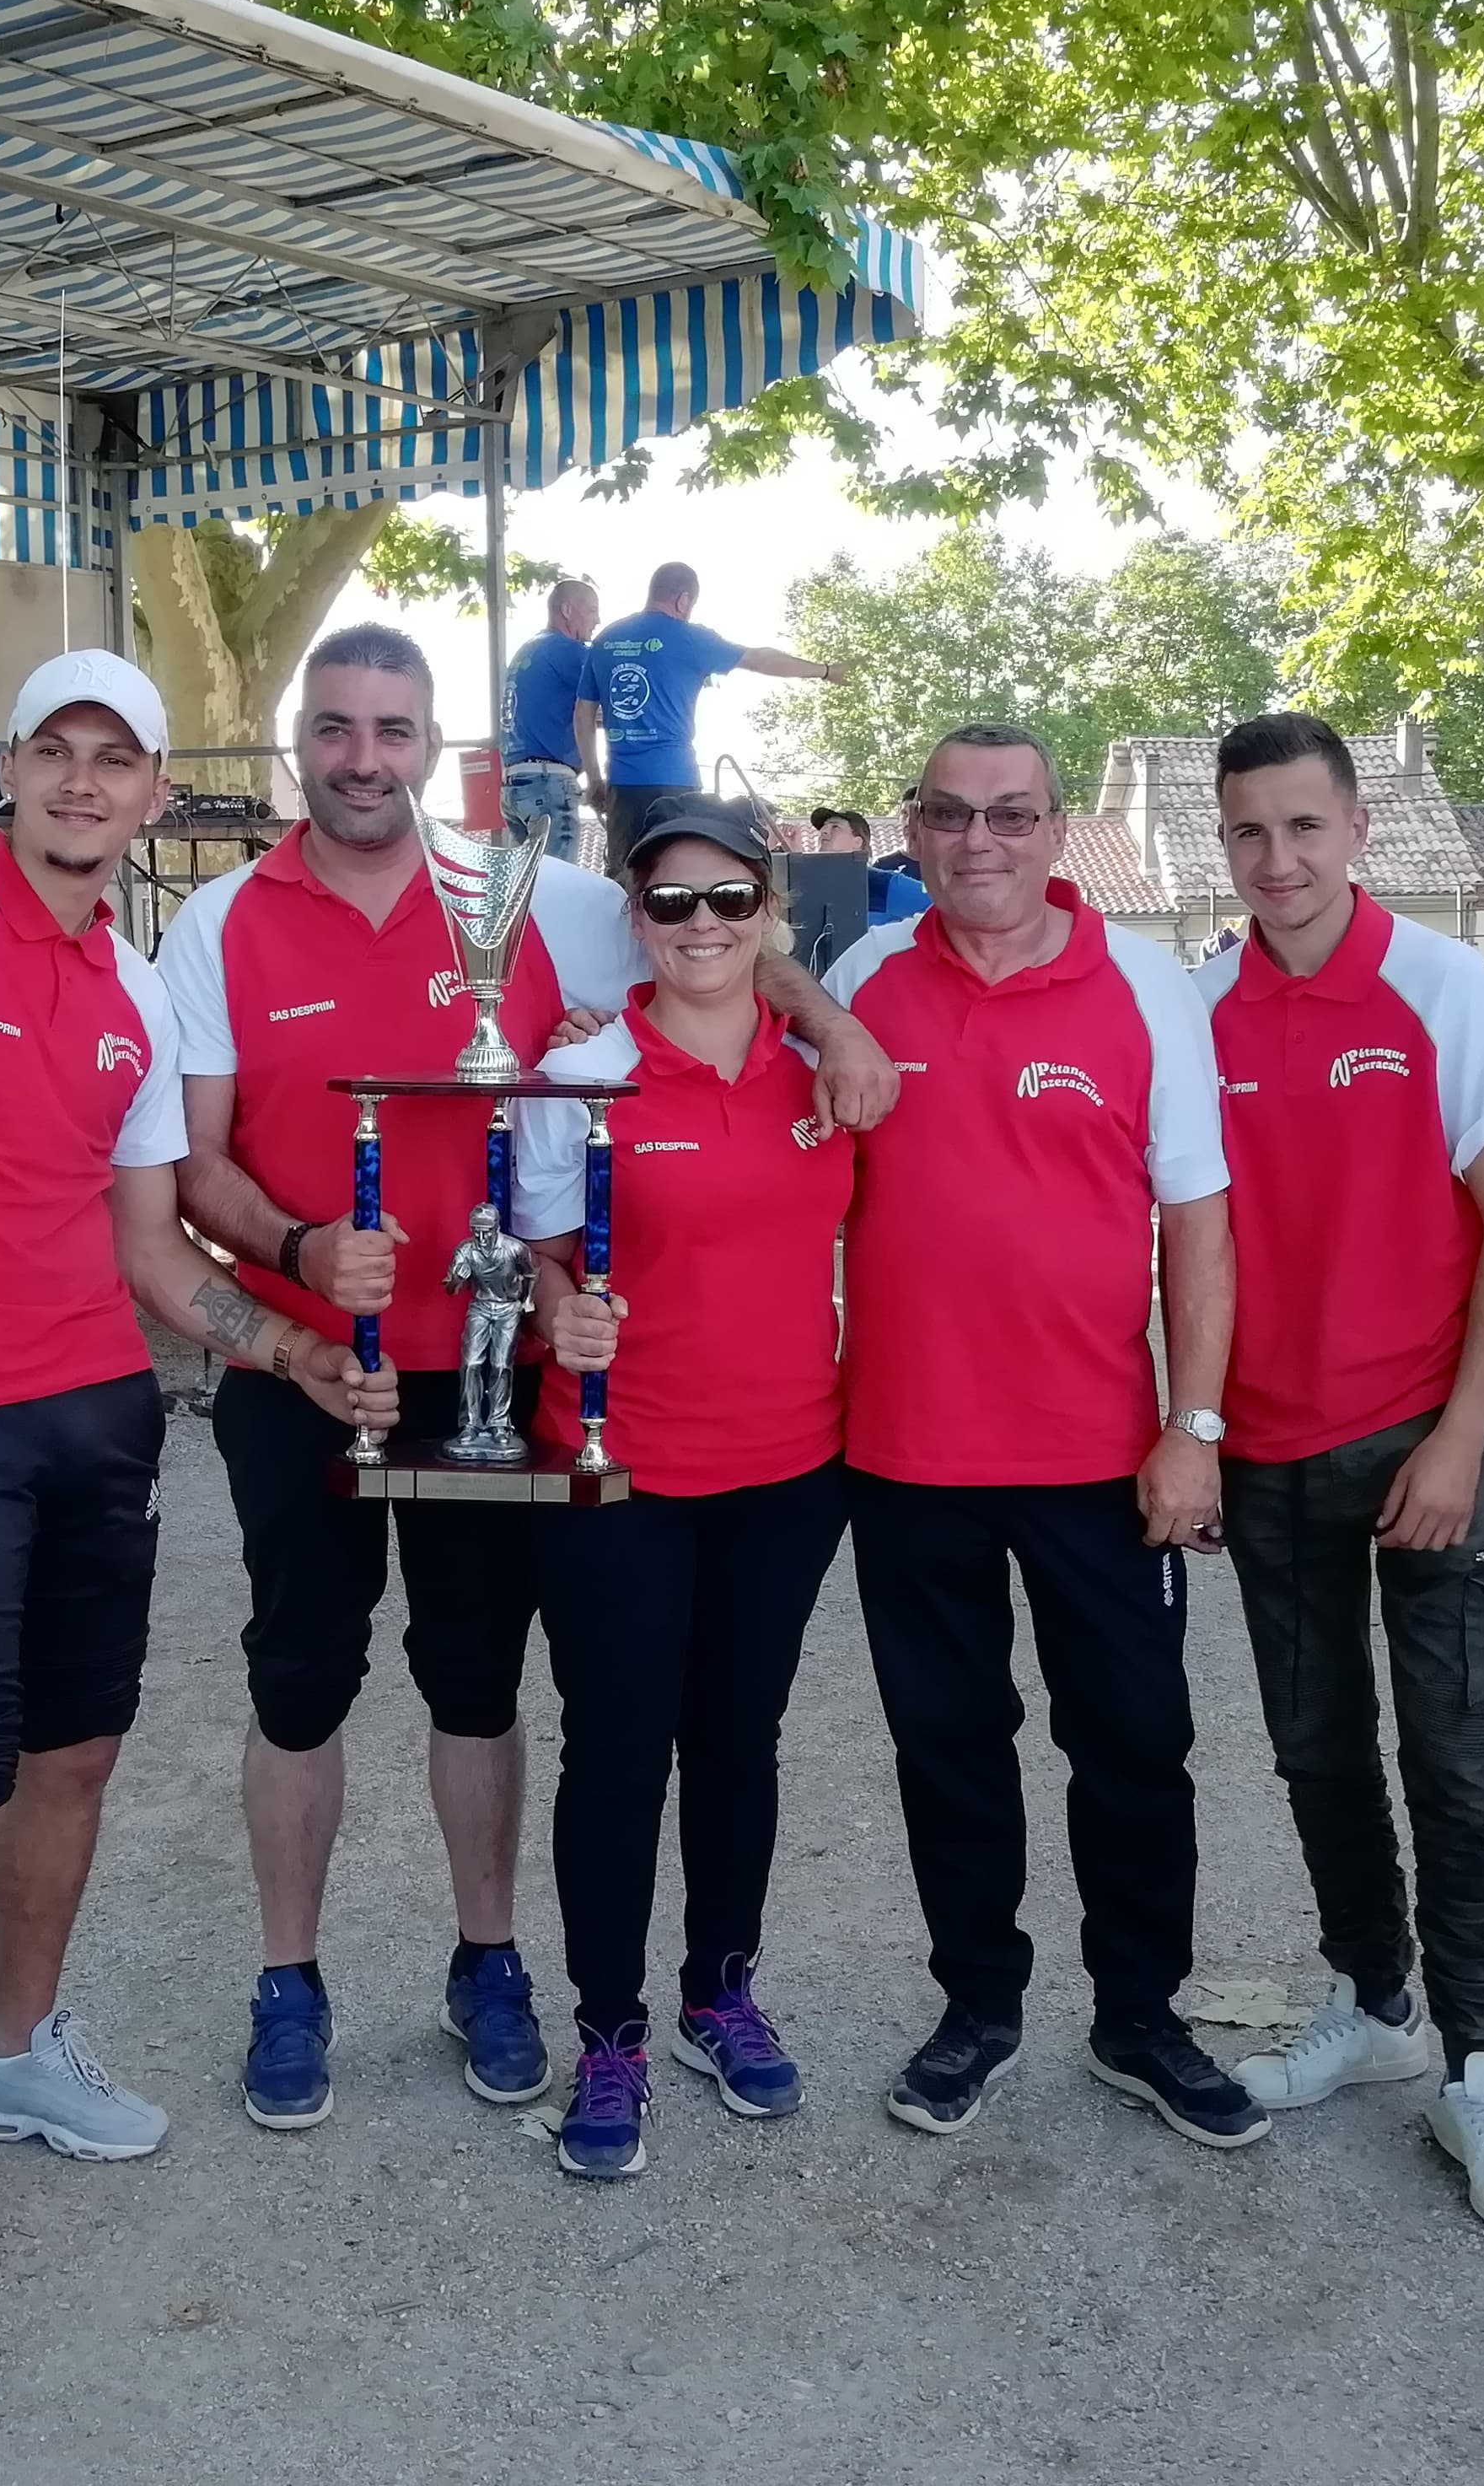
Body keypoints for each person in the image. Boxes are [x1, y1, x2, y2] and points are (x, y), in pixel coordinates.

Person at [157, 623, 898, 2139]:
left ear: (436, 747)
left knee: (479, 1682)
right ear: (304, 741)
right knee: (300, 1679)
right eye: (340, 728)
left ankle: (492, 1964)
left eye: (395, 729)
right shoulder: (217, 921)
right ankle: (288, 1979)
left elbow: (723, 948)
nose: (366, 756)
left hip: (498, 1381)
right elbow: (194, 1162)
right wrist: (300, 1262)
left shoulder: (544, 897)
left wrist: (832, 1020)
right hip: (308, 1369)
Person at [0, 648, 397, 2333]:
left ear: (157, 793)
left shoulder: (139, 982)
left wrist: (290, 1351)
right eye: (57, 752)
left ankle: (15, 2055)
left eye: (119, 760)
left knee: (76, 1761)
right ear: (11, 769)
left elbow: (149, 1247)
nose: (85, 783)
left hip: (97, 1422)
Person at [823, 722, 1255, 2149]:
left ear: (1059, 833)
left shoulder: (1142, 986)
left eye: (1012, 815)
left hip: (1099, 1457)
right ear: (915, 827)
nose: (980, 841)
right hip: (903, 1453)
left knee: (1134, 1744)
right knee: (950, 1748)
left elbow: (1197, 1220)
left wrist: (1193, 1426)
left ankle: (1141, 2017)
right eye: (950, 814)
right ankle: (978, 2007)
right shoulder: (863, 983)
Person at [1191, 715, 1484, 2239]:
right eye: (1246, 835)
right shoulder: (1198, 1003)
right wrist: (1199, 1425)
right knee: (1317, 1753)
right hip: (1268, 1453)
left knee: (1461, 1769)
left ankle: (1482, 2063)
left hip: (1425, 1445)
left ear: (1356, 830)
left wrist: (1467, 1433)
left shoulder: (1442, 985)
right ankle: (1377, 2001)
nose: (1276, 862)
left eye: (1302, 828)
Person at [508, 794, 860, 2177]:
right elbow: (532, 1251)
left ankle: (722, 1993)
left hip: (787, 1468)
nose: (701, 926)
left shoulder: (825, 1073)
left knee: (738, 1742)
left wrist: (839, 1029)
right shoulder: (586, 1064)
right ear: (635, 920)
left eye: (729, 901)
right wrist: (555, 1313)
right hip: (619, 1471)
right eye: (671, 904)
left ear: (771, 913)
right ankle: (609, 2031)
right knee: (614, 1749)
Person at [573, 562, 847, 868]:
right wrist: (824, 671)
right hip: (675, 783)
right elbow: (761, 659)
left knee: (624, 878)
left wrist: (595, 778)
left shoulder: (608, 639)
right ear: (684, 600)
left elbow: (583, 714)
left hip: (622, 786)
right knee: (675, 873)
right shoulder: (690, 638)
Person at [500, 578, 601, 864]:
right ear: (568, 610)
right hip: (549, 784)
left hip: (514, 784)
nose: (598, 620)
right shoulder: (571, 652)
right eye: (592, 610)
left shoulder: (529, 650)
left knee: (527, 889)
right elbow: (608, 707)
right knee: (558, 885)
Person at [810, 805, 933, 922]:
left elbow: (940, 903)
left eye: (835, 827)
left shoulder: (881, 883)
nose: (824, 832)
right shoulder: (811, 882)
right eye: (823, 828)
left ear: (857, 842)